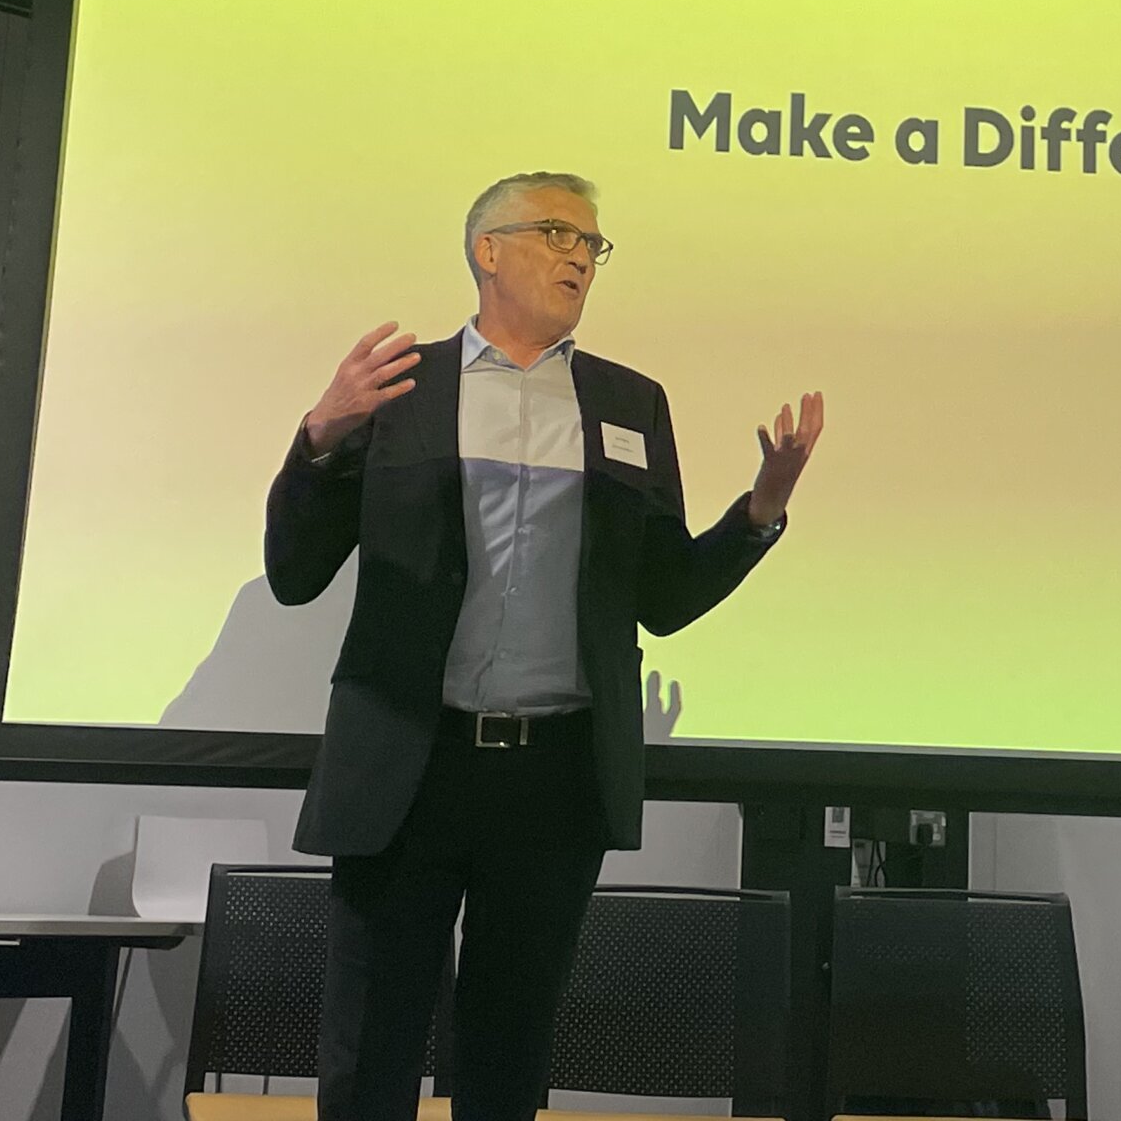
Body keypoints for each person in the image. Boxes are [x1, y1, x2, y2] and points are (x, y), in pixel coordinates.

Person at [265, 170, 825, 1121]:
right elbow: (295, 572)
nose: (580, 257)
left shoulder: (630, 401)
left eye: (593, 245)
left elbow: (663, 597)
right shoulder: (400, 391)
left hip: (551, 780)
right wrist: (321, 436)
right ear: (488, 250)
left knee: (509, 1053)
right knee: (374, 1049)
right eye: (557, 233)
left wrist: (762, 508)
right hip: (410, 761)